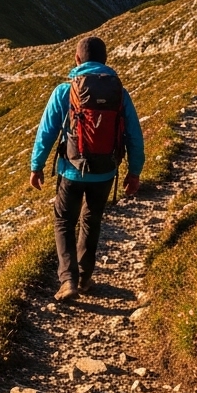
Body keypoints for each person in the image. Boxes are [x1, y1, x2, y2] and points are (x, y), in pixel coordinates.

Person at [28, 36, 144, 301]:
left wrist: (37, 166)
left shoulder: (64, 91)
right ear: (105, 60)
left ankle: (68, 280)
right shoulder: (120, 93)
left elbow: (46, 132)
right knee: (92, 221)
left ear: (77, 59)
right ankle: (84, 277)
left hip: (71, 170)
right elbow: (134, 136)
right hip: (105, 171)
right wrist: (134, 172)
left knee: (64, 221)